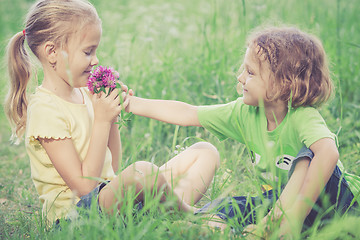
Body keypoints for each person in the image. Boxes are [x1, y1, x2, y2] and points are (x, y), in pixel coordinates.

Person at [125, 26, 359, 237]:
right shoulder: (245, 113)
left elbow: (329, 154)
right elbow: (188, 113)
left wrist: (295, 213)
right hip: (279, 202)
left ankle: (274, 225)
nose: (240, 77)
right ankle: (208, 226)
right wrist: (131, 103)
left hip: (336, 204)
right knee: (232, 206)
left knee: (307, 156)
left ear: (283, 83)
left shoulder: (302, 117)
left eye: (250, 72)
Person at [4, 0, 220, 227]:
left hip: (108, 198)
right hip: (74, 218)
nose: (95, 60)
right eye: (88, 52)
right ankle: (194, 217)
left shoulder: (85, 93)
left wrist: (112, 116)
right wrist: (101, 120)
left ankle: (169, 212)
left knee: (204, 152)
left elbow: (113, 168)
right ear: (52, 52)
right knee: (142, 172)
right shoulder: (45, 110)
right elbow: (85, 188)